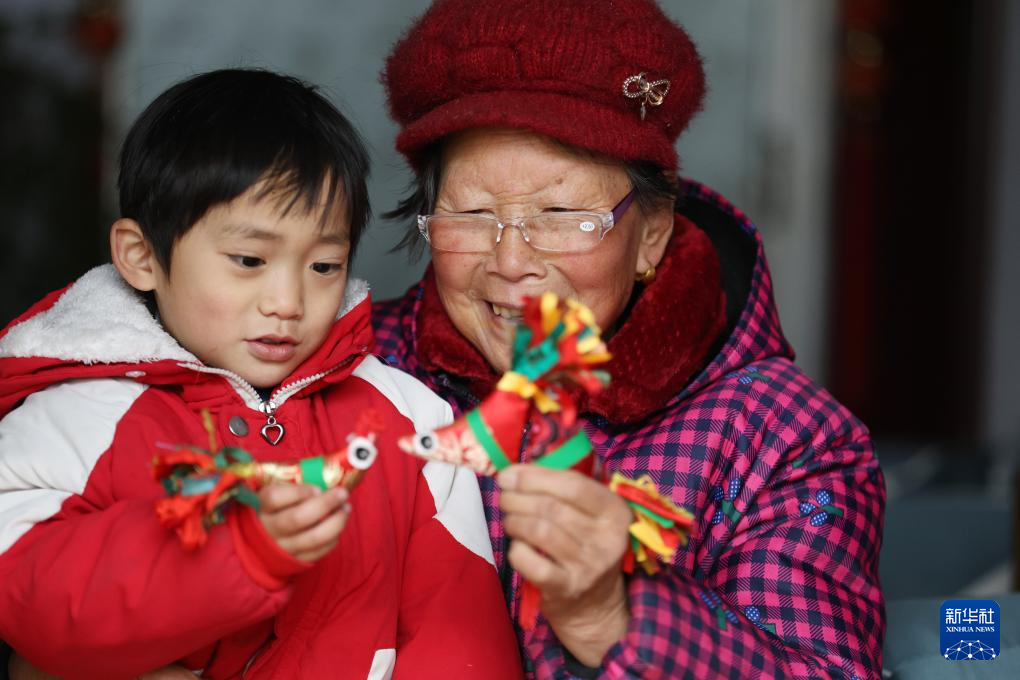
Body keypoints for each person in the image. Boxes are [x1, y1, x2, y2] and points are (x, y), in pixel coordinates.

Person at [373, 1, 886, 678]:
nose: (511, 261)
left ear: (651, 234)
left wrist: (610, 616)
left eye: (561, 214)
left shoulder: (784, 439)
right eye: (471, 213)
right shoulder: (352, 368)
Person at [0, 68, 521, 680]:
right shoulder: (73, 418)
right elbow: (30, 601)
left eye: (324, 266)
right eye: (249, 260)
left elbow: (457, 632)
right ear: (141, 257)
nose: (287, 302)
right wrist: (233, 554)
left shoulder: (408, 419)